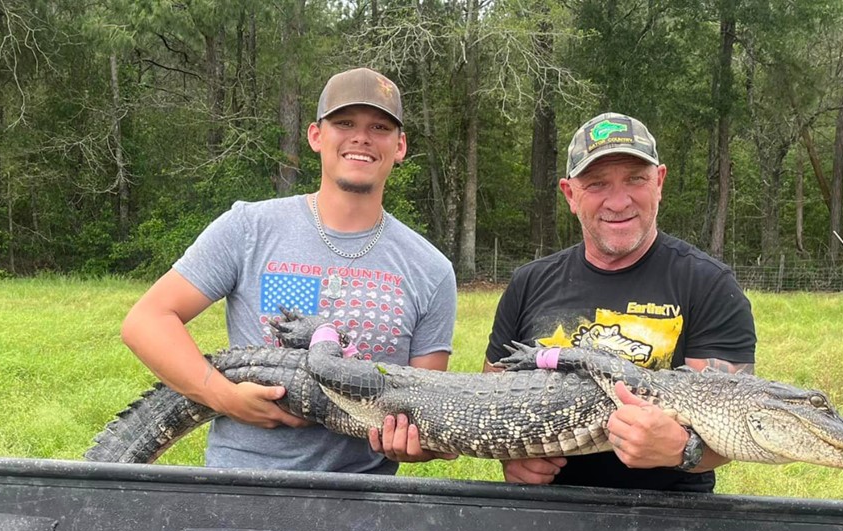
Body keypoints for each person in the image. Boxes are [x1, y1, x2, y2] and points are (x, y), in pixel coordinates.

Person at [122, 67, 458, 474]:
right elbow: (147, 321)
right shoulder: (249, 227)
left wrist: (413, 445)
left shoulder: (431, 269)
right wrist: (224, 396)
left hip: (364, 497)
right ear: (316, 135)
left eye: (380, 127)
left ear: (400, 145)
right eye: (345, 123)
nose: (361, 137)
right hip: (242, 484)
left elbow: (426, 411)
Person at [483, 112, 756, 491]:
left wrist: (681, 450)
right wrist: (512, 456)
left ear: (659, 182)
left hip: (668, 518)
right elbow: (489, 397)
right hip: (546, 515)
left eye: (635, 179)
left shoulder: (709, 284)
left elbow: (733, 426)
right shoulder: (529, 282)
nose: (618, 201)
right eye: (597, 184)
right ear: (570, 194)